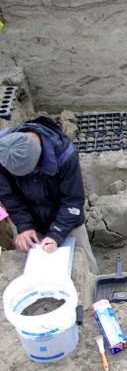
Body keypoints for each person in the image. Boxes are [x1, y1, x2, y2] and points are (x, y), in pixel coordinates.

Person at [0, 116, 99, 273]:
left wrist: (56, 234)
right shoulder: (4, 152)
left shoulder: (65, 155)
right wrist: (24, 226)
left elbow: (73, 201)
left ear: (38, 157)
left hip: (65, 216)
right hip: (28, 213)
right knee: (32, 266)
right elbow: (9, 196)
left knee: (84, 264)